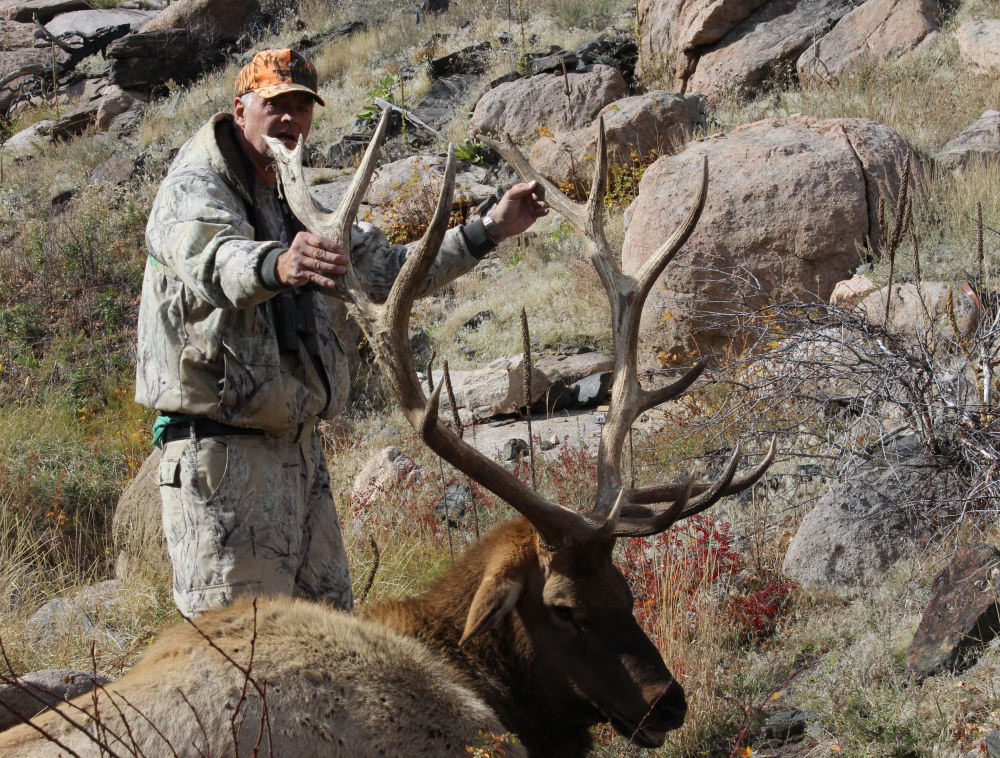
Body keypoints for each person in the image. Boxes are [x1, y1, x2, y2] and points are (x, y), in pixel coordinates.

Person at [135, 49, 548, 617]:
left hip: (301, 453)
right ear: (241, 109)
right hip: (223, 458)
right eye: (276, 104)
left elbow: (390, 271)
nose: (290, 119)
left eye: (302, 107)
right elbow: (215, 260)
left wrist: (489, 229)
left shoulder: (297, 197)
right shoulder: (193, 188)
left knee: (331, 645)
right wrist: (279, 264)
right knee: (244, 653)